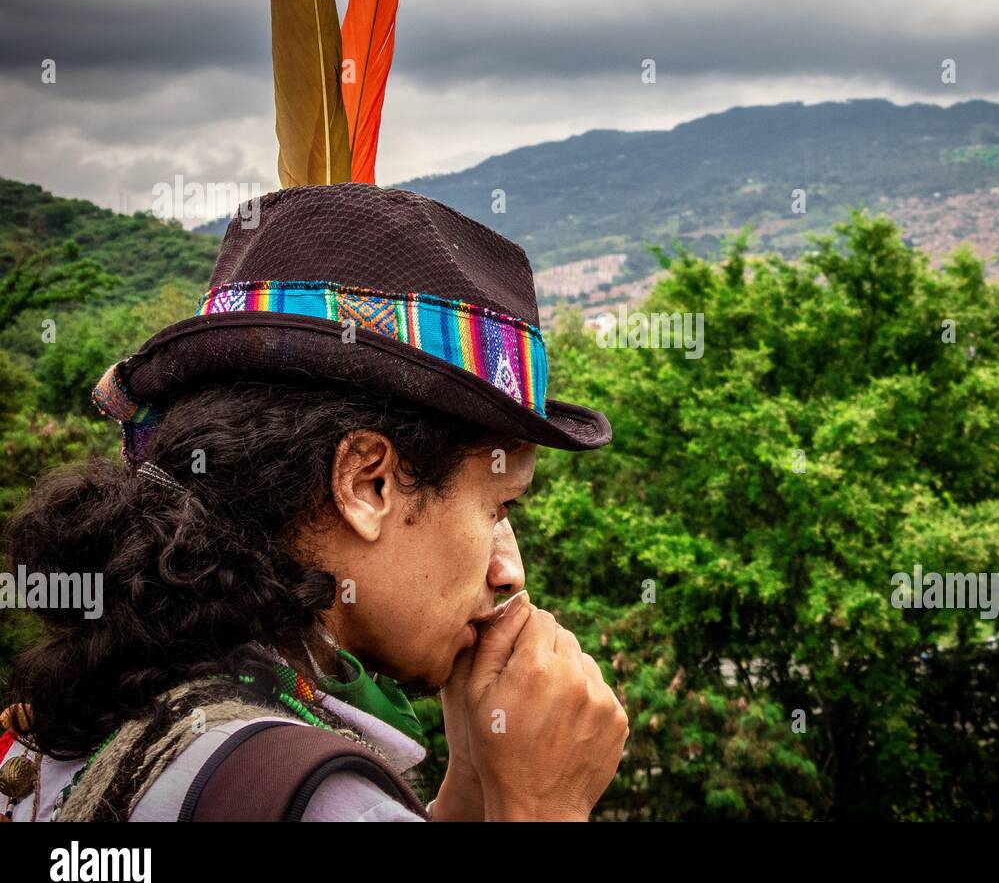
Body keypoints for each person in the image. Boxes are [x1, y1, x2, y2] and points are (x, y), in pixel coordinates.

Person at [0, 182, 629, 822]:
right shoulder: (325, 803)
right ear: (366, 483)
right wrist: (543, 805)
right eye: (498, 508)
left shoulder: (78, 727)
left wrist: (468, 785)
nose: (509, 571)